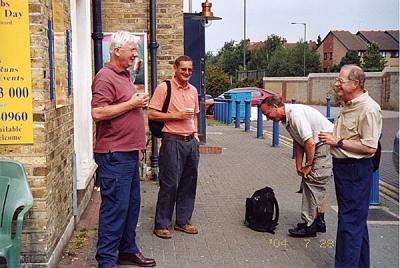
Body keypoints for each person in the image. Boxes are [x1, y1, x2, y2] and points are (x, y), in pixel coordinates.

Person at [91, 31, 156, 268]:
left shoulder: (124, 75)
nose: (135, 54)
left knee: (131, 207)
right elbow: (98, 113)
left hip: (128, 153)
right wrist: (132, 103)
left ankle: (127, 250)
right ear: (117, 50)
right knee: (115, 209)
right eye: (131, 49)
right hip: (114, 155)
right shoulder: (105, 77)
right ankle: (106, 260)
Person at [319, 65, 382, 267]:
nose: (337, 83)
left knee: (349, 224)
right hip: (344, 169)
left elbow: (370, 147)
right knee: (356, 223)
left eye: (341, 80)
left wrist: (337, 141)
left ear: (355, 84)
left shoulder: (368, 109)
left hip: (355, 171)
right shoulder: (349, 103)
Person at [260, 96, 333, 238]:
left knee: (313, 182)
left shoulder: (295, 115)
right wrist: (298, 164)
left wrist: (309, 165)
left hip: (323, 144)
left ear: (275, 107)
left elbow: (309, 142)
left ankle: (309, 226)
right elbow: (299, 141)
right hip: (319, 143)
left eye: (267, 114)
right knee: (314, 182)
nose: (268, 118)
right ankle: (317, 222)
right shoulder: (286, 118)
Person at [148, 55, 200, 239]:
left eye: (190, 70)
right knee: (170, 184)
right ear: (175, 69)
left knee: (189, 183)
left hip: (190, 143)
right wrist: (175, 116)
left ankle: (183, 221)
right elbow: (152, 114)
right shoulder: (164, 88)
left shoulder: (193, 90)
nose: (187, 73)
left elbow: (194, 115)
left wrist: (195, 135)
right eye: (183, 69)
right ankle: (162, 224)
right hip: (172, 141)